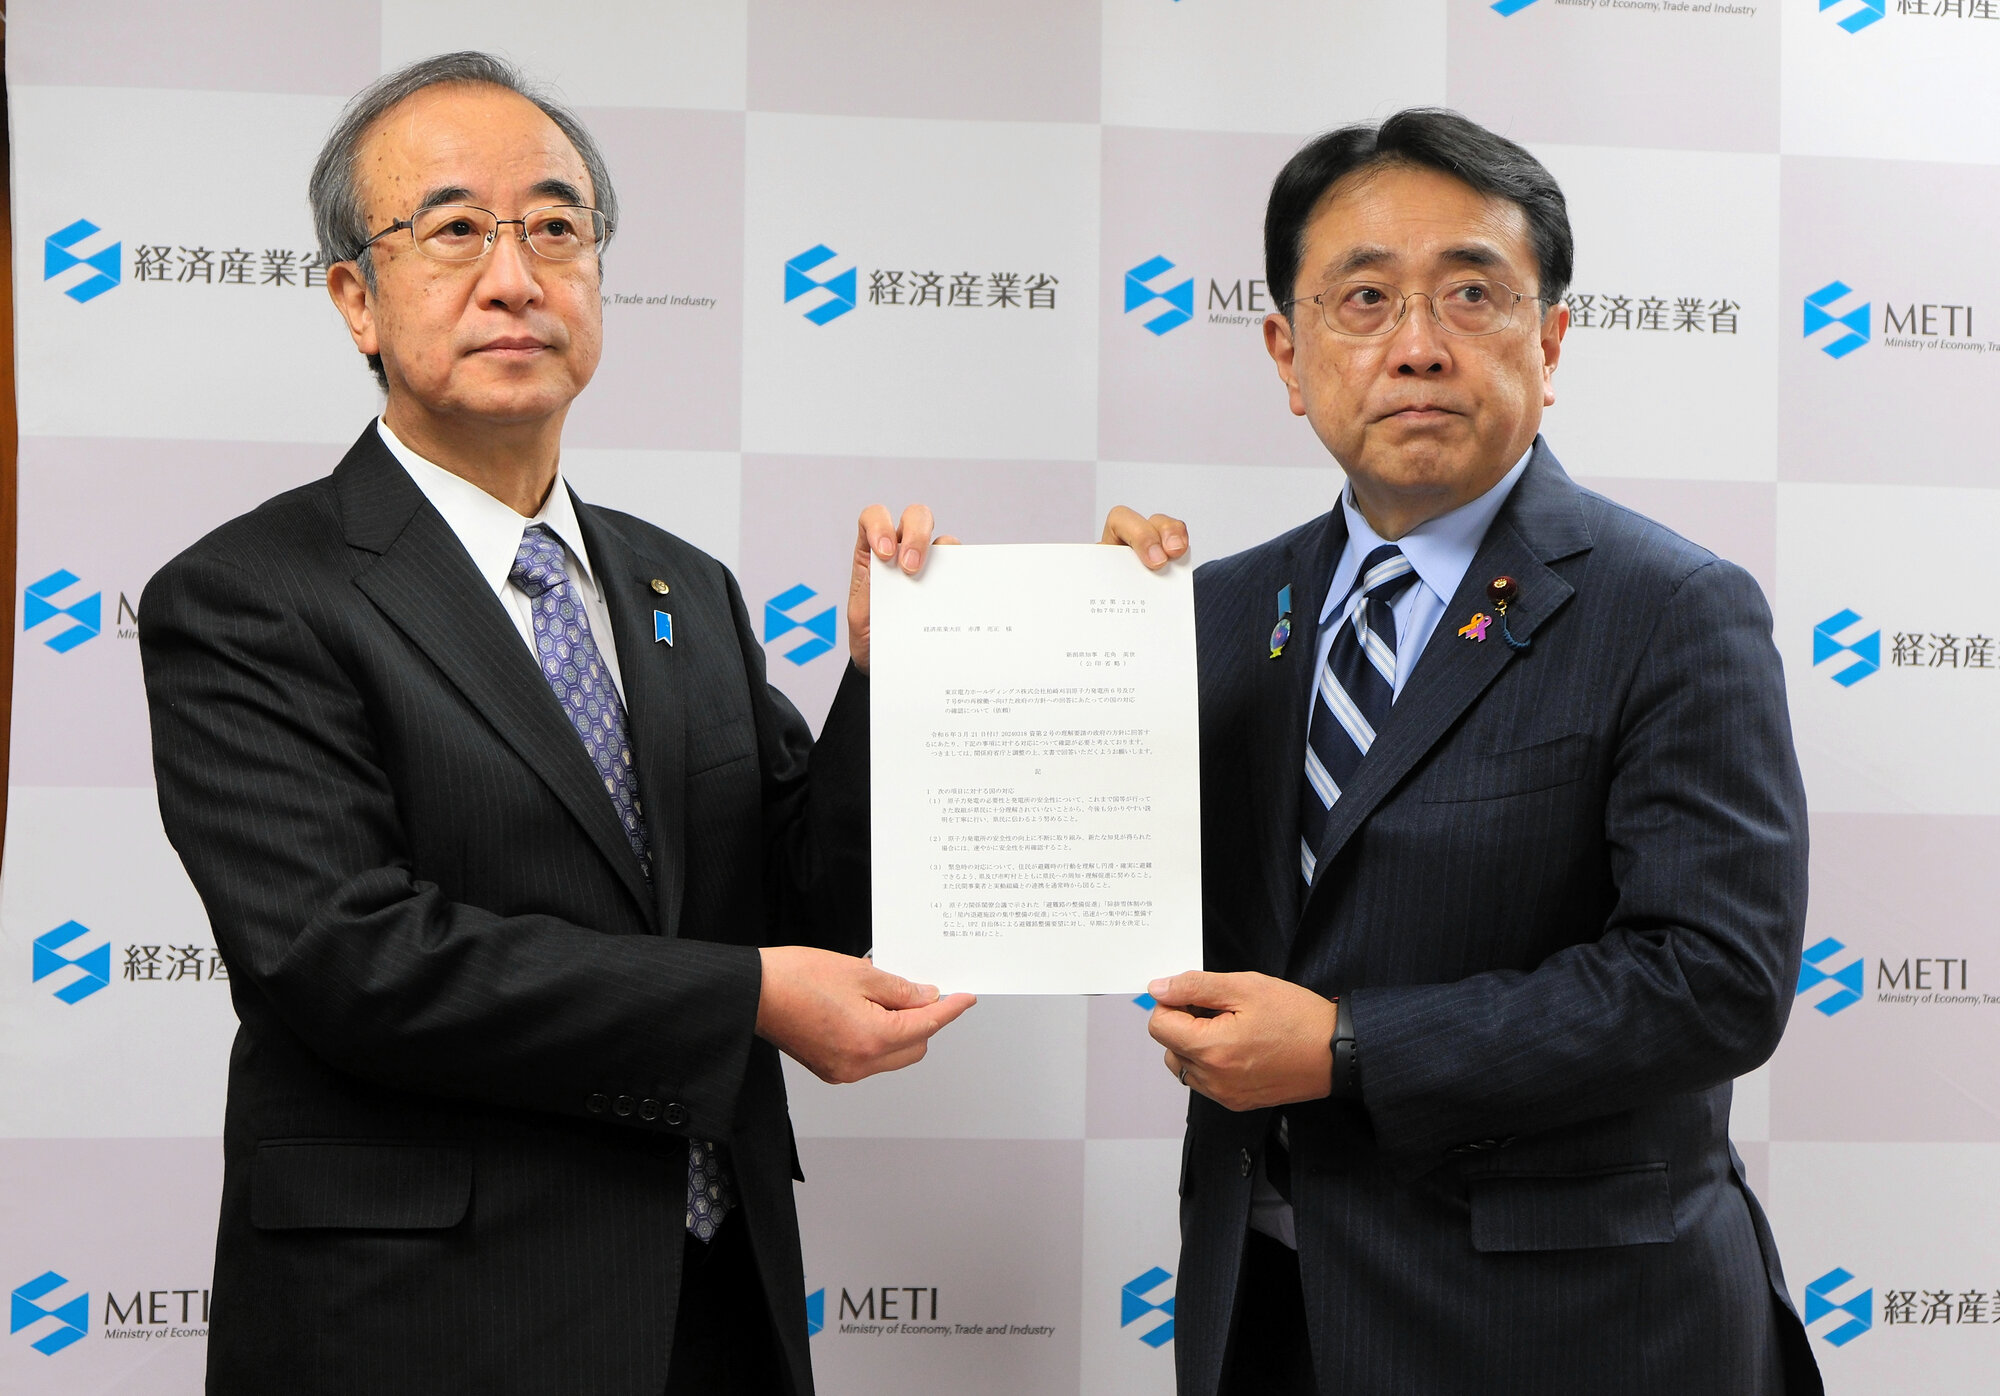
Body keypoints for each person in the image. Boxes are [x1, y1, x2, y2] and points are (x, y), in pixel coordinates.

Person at [138, 52, 980, 1396]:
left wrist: (891, 678)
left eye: (553, 227)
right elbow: (350, 960)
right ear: (355, 298)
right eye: (453, 230)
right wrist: (749, 996)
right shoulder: (250, 595)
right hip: (423, 1325)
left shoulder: (679, 585)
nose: (514, 277)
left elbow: (804, 898)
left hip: (714, 1305)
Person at [1105, 109, 1821, 1395]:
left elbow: (1714, 977)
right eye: (1362, 299)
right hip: (1264, 1306)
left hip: (1568, 1329)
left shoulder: (1668, 607)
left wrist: (1348, 1046)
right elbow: (1109, 889)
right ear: (1285, 352)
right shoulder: (1210, 611)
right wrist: (1074, 653)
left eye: (1471, 294)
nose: (1417, 345)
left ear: (1549, 341)